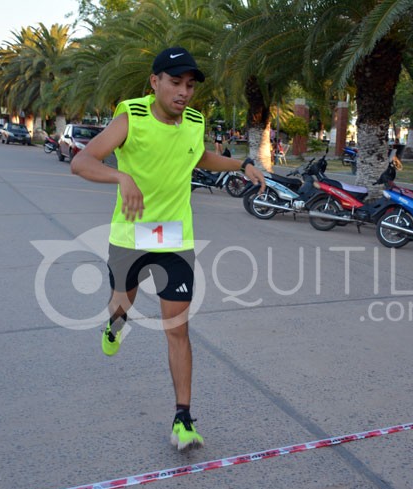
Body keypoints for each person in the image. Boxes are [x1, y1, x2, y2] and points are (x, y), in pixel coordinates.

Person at [70, 47, 266, 451]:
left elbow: (200, 157)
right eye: (175, 82)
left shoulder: (194, 121)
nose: (184, 92)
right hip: (131, 235)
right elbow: (83, 161)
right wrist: (122, 177)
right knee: (121, 303)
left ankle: (183, 418)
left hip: (174, 237)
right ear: (155, 82)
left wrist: (240, 164)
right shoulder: (132, 117)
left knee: (178, 328)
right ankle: (116, 325)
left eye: (190, 85)